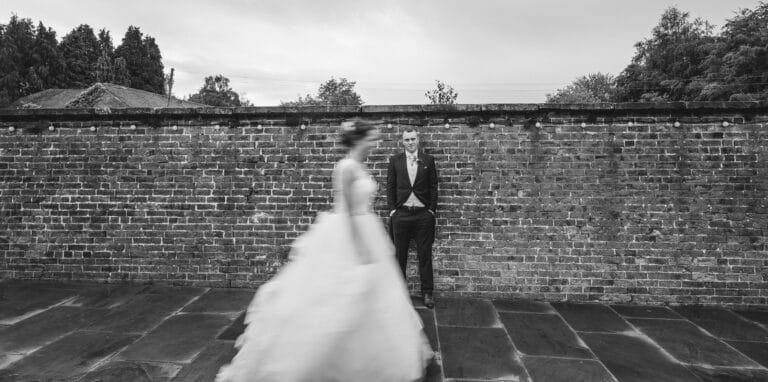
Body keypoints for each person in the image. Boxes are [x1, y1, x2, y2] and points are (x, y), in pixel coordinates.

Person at [216, 119, 432, 382]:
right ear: (358, 140)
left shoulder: (359, 166)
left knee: (377, 297)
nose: (375, 143)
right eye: (371, 139)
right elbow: (348, 213)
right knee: (339, 297)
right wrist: (360, 248)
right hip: (349, 233)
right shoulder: (346, 167)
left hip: (368, 229)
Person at [387, 128, 438, 309]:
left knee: (424, 255)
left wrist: (431, 210)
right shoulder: (395, 161)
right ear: (403, 142)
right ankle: (399, 293)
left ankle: (427, 292)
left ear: (418, 140)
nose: (410, 142)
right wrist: (393, 210)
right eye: (407, 139)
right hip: (401, 215)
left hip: (423, 215)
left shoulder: (428, 160)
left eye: (413, 139)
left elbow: (433, 186)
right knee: (399, 256)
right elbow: (390, 187)